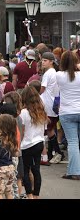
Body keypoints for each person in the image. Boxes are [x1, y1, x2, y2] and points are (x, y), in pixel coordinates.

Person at [19, 85, 49, 199]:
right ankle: (36, 194)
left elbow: (22, 131)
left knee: (25, 171)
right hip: (39, 142)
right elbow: (44, 129)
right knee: (36, 170)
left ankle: (29, 194)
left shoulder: (23, 113)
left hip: (27, 144)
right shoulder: (42, 111)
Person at [55, 50, 80, 180]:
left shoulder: (59, 75)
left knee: (73, 142)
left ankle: (74, 171)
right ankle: (74, 170)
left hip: (67, 112)